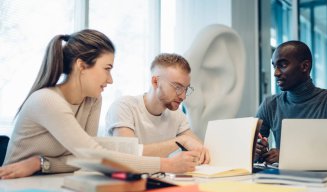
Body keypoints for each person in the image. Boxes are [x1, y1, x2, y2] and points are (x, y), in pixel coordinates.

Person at [0, 29, 200, 180]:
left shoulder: (93, 100)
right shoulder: (47, 101)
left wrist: (40, 163)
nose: (110, 79)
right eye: (107, 69)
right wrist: (168, 164)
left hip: (49, 181)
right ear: (81, 66)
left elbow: (83, 160)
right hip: (14, 186)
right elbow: (95, 157)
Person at [255, 40, 327, 168]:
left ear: (305, 66)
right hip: (284, 182)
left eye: (283, 65)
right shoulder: (270, 104)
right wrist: (257, 152)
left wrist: (289, 155)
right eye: (274, 66)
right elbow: (250, 153)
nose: (276, 73)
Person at [105, 53, 210, 164]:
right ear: (155, 82)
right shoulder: (124, 106)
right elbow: (129, 154)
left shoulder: (177, 116)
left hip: (157, 179)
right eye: (178, 87)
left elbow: (202, 150)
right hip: (119, 180)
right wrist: (180, 141)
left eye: (185, 89)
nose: (183, 96)